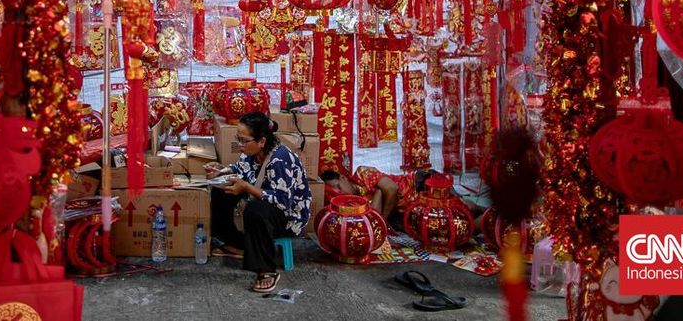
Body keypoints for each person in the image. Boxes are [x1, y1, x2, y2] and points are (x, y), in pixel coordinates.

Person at [203, 112, 311, 293]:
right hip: (266, 202)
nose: (240, 145)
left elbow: (282, 201)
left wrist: (246, 187)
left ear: (261, 141)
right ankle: (237, 245)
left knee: (255, 210)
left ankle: (266, 270)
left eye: (244, 141)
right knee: (221, 191)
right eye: (238, 139)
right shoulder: (252, 151)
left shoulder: (280, 159)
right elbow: (240, 168)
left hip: (289, 216)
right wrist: (221, 171)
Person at [321, 167, 483, 228]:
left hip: (418, 185)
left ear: (342, 177)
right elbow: (373, 219)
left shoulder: (362, 173)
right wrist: (378, 192)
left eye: (339, 187)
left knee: (463, 210)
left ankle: (489, 212)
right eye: (337, 195)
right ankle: (490, 220)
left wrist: (382, 221)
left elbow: (392, 188)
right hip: (407, 212)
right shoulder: (354, 206)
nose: (342, 194)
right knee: (454, 227)